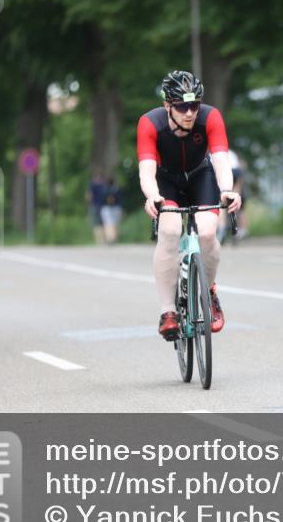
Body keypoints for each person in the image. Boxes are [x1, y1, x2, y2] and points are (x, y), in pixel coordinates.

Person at [137, 70, 242, 340]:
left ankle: (209, 294)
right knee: (170, 231)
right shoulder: (150, 123)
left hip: (200, 176)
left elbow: (220, 159)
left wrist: (227, 190)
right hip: (166, 181)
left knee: (208, 233)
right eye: (182, 106)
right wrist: (152, 196)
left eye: (194, 105)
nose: (189, 112)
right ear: (167, 106)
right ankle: (168, 311)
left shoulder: (210, 117)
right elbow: (147, 170)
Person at [100, 177, 124, 244]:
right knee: (115, 224)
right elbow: (121, 200)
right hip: (116, 208)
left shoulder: (104, 190)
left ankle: (109, 238)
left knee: (108, 224)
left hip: (106, 208)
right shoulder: (117, 189)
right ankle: (113, 238)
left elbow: (101, 200)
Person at [87, 172, 107, 244]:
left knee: (95, 223)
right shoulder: (103, 185)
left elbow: (89, 195)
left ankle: (99, 240)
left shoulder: (92, 185)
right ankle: (104, 239)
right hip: (103, 206)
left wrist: (88, 203)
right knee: (103, 223)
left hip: (94, 205)